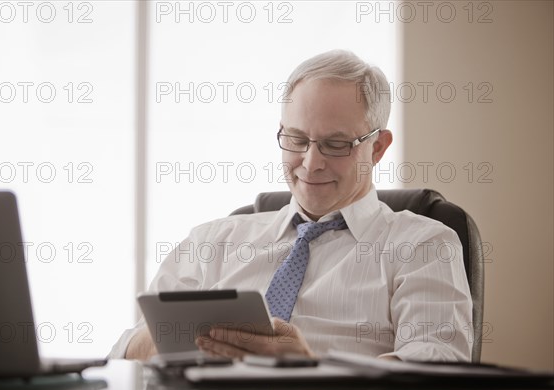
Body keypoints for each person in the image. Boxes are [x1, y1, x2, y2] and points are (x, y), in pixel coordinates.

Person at [109, 50, 473, 362]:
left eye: (336, 144)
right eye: (296, 139)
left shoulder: (424, 246)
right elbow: (119, 357)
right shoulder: (213, 241)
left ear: (377, 148)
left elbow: (435, 380)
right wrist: (164, 341)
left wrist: (311, 374)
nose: (311, 162)